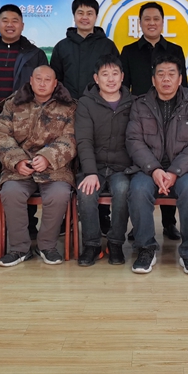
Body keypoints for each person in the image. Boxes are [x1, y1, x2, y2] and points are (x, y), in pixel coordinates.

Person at [0, 4, 48, 241]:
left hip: (24, 121)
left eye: (15, 20)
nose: (10, 24)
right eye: (5, 20)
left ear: (22, 25)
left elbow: (44, 86)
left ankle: (28, 223)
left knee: (23, 169)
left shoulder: (34, 54)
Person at [126, 53, 188, 275]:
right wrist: (154, 170)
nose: (166, 79)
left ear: (180, 79)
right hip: (148, 168)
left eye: (172, 74)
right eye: (160, 74)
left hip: (184, 169)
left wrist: (174, 171)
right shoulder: (140, 105)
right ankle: (146, 248)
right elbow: (134, 141)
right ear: (153, 79)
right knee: (138, 189)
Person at [0, 66, 77, 267]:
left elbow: (71, 139)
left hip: (55, 168)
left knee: (59, 194)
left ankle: (47, 246)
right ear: (31, 80)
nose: (42, 83)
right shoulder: (14, 103)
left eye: (47, 79)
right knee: (11, 192)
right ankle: (19, 249)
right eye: (38, 79)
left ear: (55, 83)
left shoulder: (69, 106)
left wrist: (47, 157)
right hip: (19, 168)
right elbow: (0, 135)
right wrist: (17, 161)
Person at [50, 0, 119, 235]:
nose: (85, 17)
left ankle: (102, 216)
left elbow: (114, 79)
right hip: (67, 112)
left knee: (96, 159)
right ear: (74, 16)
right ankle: (64, 216)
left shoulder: (107, 45)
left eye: (90, 13)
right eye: (80, 13)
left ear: (96, 16)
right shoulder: (62, 47)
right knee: (68, 161)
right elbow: (55, 81)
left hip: (100, 111)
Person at [120, 1, 188, 239]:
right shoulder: (128, 51)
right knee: (142, 169)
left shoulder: (174, 49)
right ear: (139, 23)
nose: (151, 23)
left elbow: (183, 86)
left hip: (171, 114)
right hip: (141, 116)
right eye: (146, 19)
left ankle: (169, 223)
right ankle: (139, 225)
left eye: (156, 19)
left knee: (169, 163)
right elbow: (124, 87)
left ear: (162, 22)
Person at [74, 54, 133, 266]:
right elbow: (84, 141)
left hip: (122, 168)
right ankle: (91, 244)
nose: (110, 79)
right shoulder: (85, 104)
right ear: (96, 78)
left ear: (122, 77)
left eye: (115, 74)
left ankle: (115, 243)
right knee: (86, 191)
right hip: (94, 166)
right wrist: (90, 172)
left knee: (123, 189)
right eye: (105, 74)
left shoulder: (134, 103)